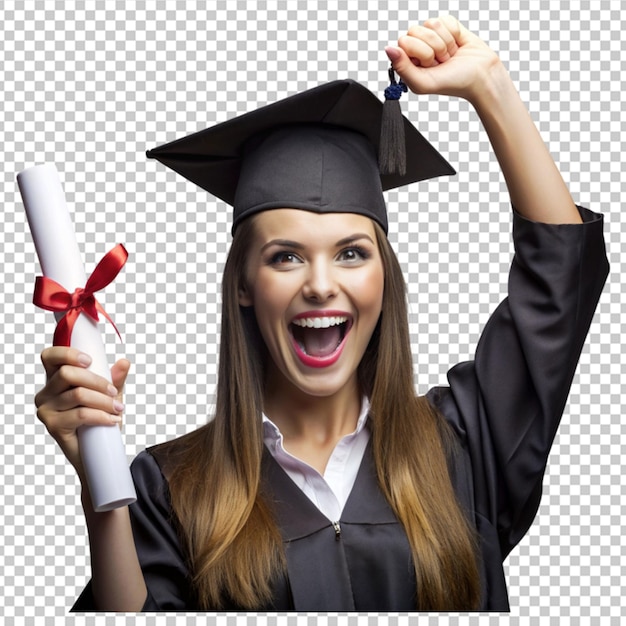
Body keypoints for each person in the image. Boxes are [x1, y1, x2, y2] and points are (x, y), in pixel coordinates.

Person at [34, 16, 608, 612]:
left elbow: (557, 285)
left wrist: (490, 84)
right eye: (285, 257)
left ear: (384, 278)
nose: (320, 285)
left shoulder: (463, 446)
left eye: (352, 254)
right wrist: (99, 487)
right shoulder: (172, 486)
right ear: (245, 287)